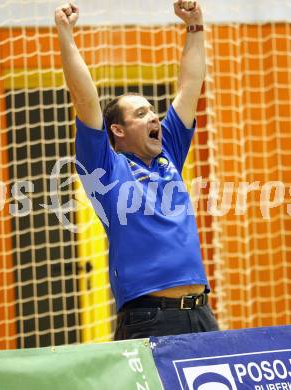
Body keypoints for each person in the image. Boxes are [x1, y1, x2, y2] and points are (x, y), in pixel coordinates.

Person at [55, 0, 219, 340]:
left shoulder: (168, 152)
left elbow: (190, 85)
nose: (154, 117)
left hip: (202, 313)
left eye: (152, 111)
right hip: (149, 318)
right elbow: (86, 101)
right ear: (118, 130)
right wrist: (66, 36)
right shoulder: (105, 169)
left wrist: (194, 26)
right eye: (141, 114)